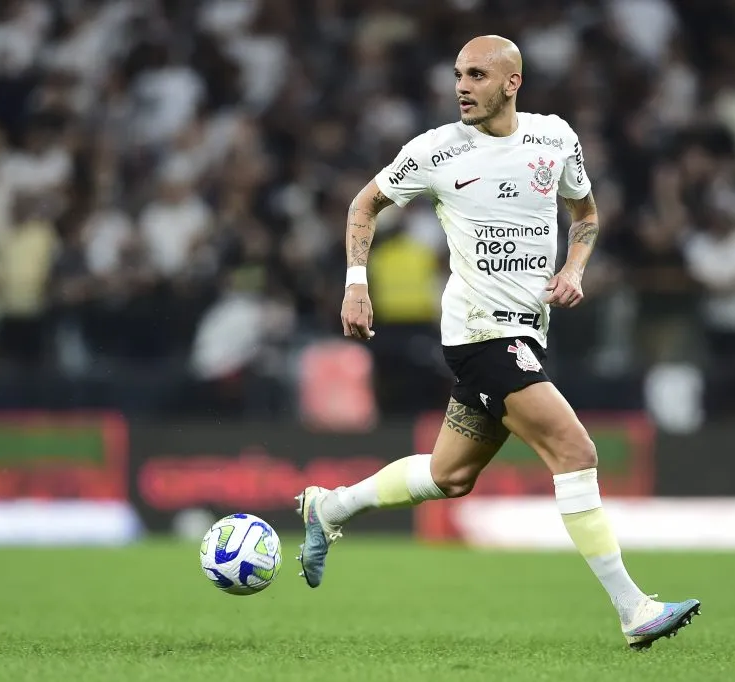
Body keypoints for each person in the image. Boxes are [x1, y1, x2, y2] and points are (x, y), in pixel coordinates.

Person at [295, 35, 700, 650]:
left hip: (526, 331)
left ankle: (331, 509)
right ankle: (632, 609)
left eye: (477, 75)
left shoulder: (555, 139)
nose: (462, 85)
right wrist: (356, 284)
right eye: (458, 74)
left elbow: (585, 216)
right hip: (481, 332)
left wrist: (574, 270)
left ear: (512, 82)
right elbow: (363, 204)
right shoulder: (436, 150)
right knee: (576, 451)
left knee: (449, 476)